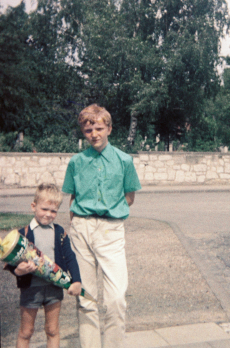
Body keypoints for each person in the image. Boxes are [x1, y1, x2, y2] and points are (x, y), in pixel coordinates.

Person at [62, 104, 141, 348]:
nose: (94, 134)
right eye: (88, 130)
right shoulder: (76, 162)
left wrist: (110, 212)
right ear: (83, 132)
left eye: (98, 128)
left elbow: (129, 196)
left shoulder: (124, 160)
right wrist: (79, 222)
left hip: (111, 229)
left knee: (116, 297)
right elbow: (73, 197)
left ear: (109, 128)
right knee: (86, 298)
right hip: (82, 229)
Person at [5, 183, 82, 348]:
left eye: (53, 211)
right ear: (34, 206)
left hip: (54, 288)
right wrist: (18, 270)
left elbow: (70, 257)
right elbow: (11, 262)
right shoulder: (23, 233)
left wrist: (76, 280)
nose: (48, 214)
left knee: (52, 330)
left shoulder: (60, 232)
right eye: (44, 209)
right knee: (26, 331)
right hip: (31, 289)